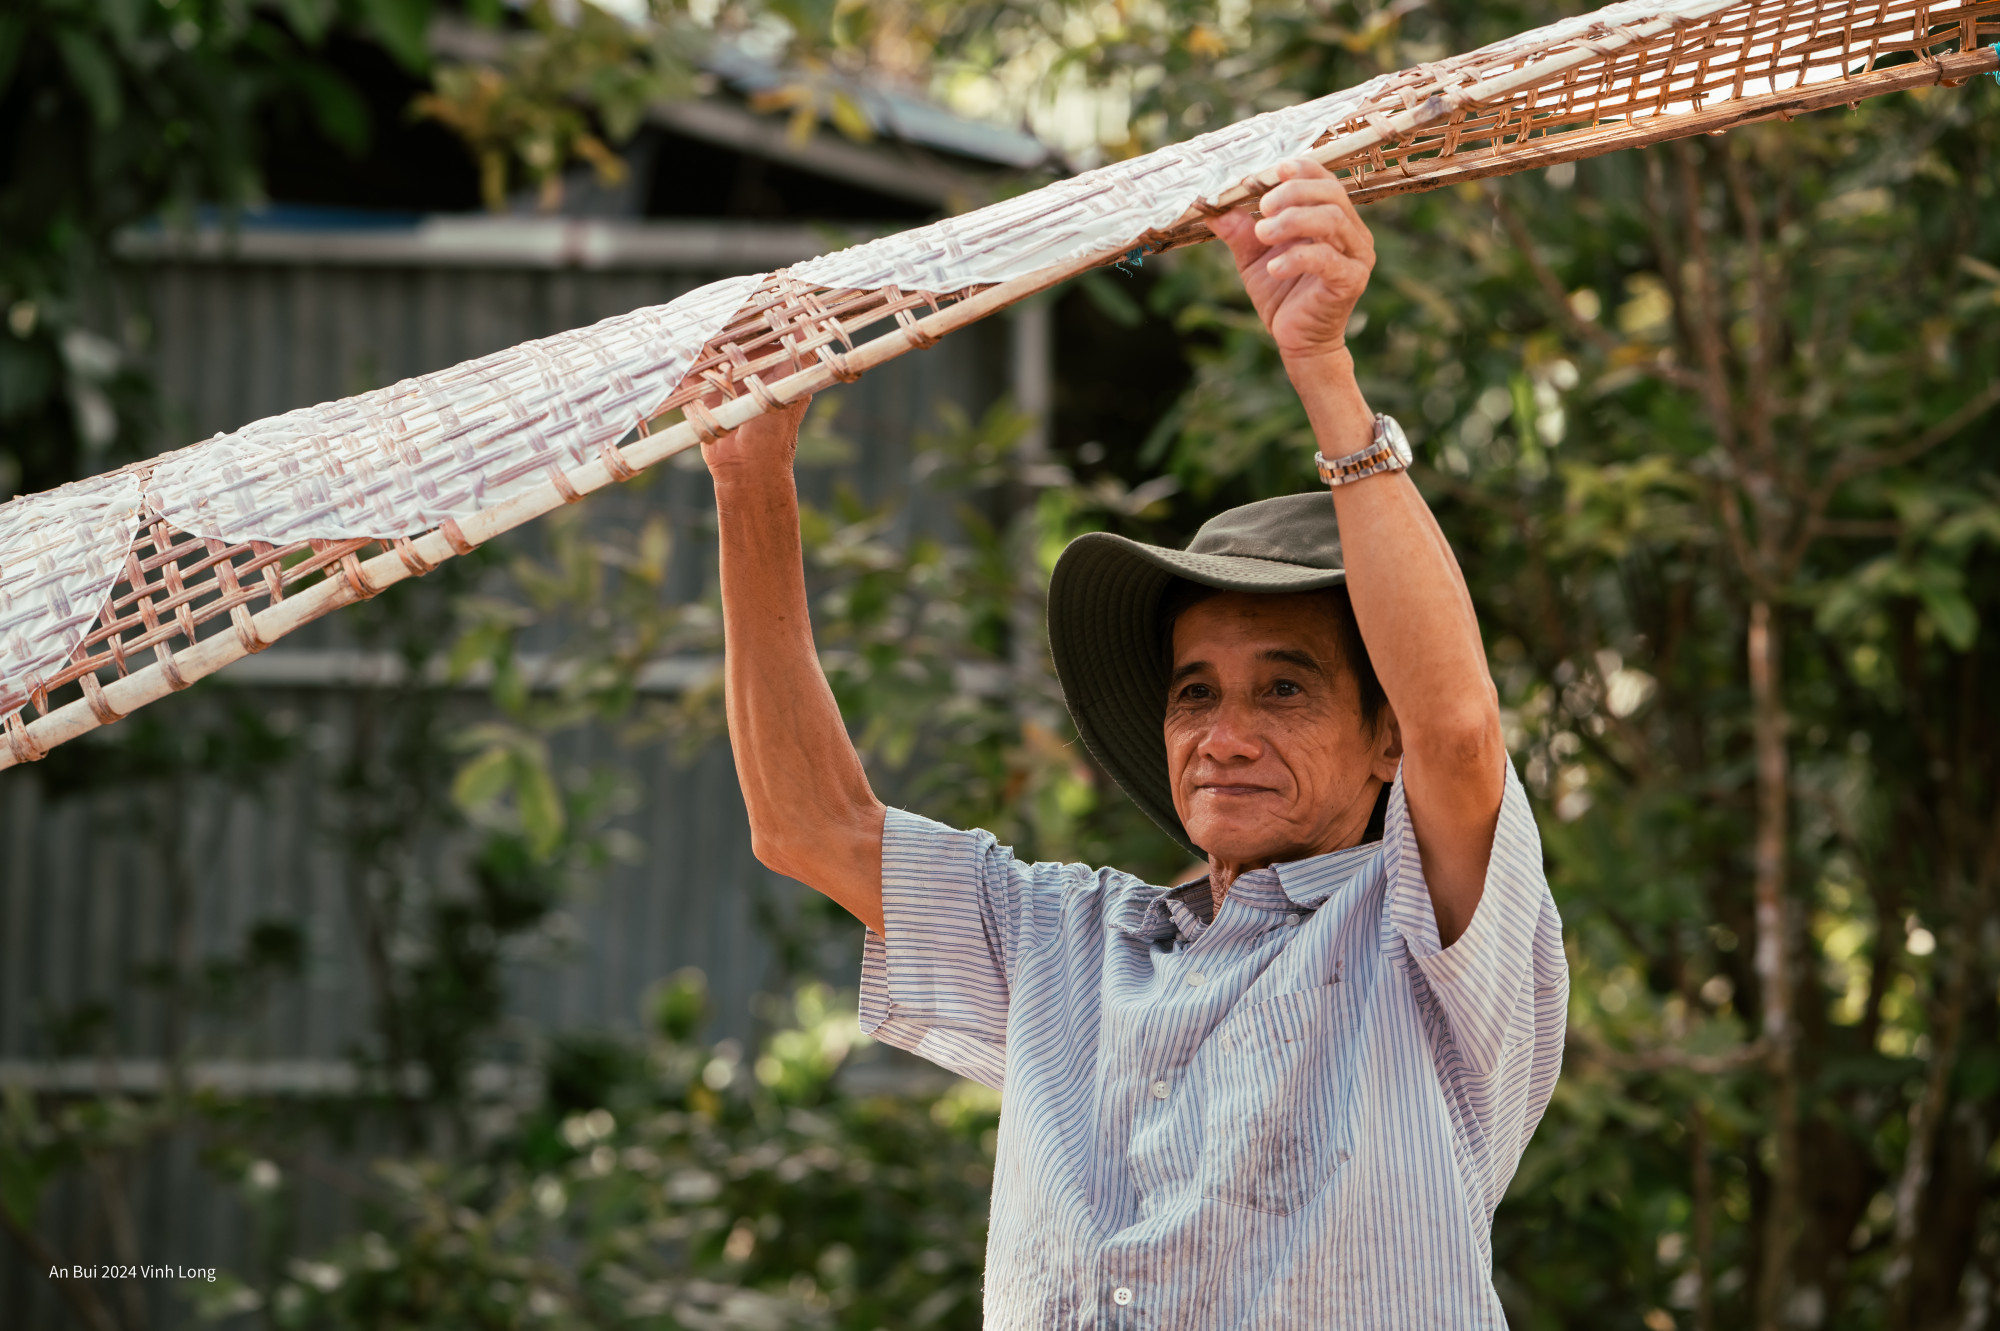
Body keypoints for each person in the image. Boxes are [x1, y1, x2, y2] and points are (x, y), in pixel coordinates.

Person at [706, 157, 1566, 1328]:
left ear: (1383, 743)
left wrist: (1320, 367)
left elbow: (1459, 729)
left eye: (1284, 688)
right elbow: (808, 826)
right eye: (1193, 691)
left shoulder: (1425, 939)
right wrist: (751, 466)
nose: (1223, 734)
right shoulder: (1070, 944)